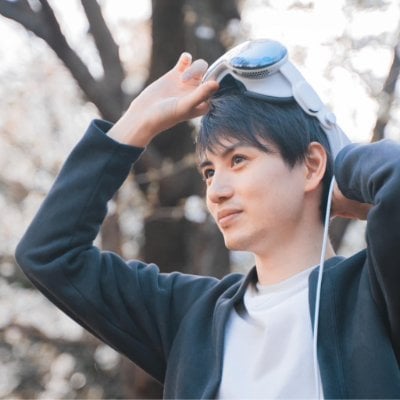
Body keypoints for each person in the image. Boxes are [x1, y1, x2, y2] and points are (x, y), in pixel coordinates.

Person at [15, 39, 400, 399]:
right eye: (209, 172)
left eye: (238, 160)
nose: (216, 191)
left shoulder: (375, 291)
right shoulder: (190, 316)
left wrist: (341, 167)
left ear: (312, 165)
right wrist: (138, 122)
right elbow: (50, 254)